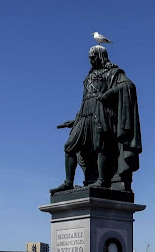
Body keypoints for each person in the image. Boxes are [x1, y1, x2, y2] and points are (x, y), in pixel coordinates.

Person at [51, 45, 141, 193]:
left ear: (101, 56)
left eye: (93, 57)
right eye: (89, 58)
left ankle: (102, 180)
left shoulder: (113, 72)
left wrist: (108, 94)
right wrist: (75, 119)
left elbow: (128, 86)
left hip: (101, 114)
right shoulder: (89, 76)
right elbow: (84, 99)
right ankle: (68, 182)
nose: (90, 60)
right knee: (69, 146)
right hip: (84, 115)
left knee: (101, 146)